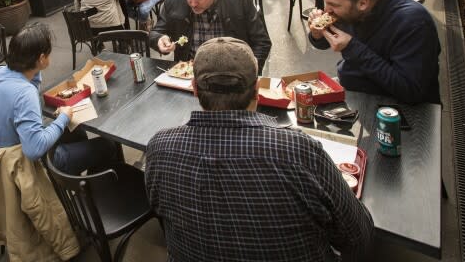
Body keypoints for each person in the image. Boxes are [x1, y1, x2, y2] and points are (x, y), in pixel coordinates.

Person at [145, 37, 374, 262]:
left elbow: (162, 218)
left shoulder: (159, 149)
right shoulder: (299, 152)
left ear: (194, 88)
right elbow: (359, 236)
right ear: (257, 90)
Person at [0, 23, 118, 174]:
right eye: (48, 54)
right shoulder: (25, 93)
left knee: (77, 133)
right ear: (41, 58)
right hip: (18, 164)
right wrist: (64, 117)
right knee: (108, 145)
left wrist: (36, 69)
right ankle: (89, 188)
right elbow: (34, 150)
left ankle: (86, 186)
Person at [308, 0, 440, 104]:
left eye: (334, 5)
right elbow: (325, 42)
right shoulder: (350, 9)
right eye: (325, 2)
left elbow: (411, 91)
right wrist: (317, 35)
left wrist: (351, 47)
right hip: (352, 90)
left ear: (363, 3)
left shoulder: (413, 22)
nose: (326, 10)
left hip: (394, 105)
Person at [149, 0, 271, 72]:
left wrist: (251, 67)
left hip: (232, 72)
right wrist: (160, 39)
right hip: (189, 72)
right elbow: (154, 33)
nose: (193, 4)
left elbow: (262, 42)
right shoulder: (173, 3)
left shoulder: (240, 0)